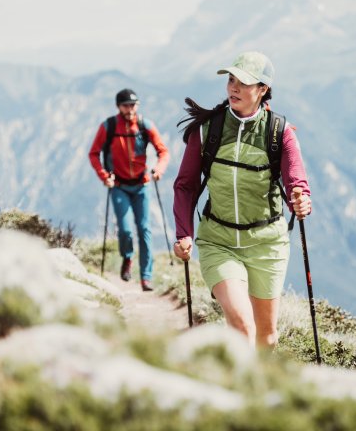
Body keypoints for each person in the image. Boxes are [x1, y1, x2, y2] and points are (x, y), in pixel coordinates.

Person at [173, 51, 312, 348]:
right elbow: (185, 186)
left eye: (244, 82)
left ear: (262, 89)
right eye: (231, 80)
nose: (233, 87)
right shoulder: (208, 130)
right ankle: (237, 389)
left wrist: (301, 201)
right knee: (241, 324)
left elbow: (295, 181)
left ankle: (257, 393)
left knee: (268, 339)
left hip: (267, 243)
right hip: (219, 241)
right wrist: (184, 233)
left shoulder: (280, 132)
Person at [89, 88, 169, 292]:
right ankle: (127, 258)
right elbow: (94, 154)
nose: (130, 109)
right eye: (126, 105)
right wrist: (104, 176)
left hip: (142, 185)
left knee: (144, 230)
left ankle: (146, 277)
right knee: (125, 230)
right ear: (118, 106)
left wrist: (159, 170)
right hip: (119, 186)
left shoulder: (145, 125)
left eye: (133, 105)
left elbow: (163, 151)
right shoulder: (109, 126)